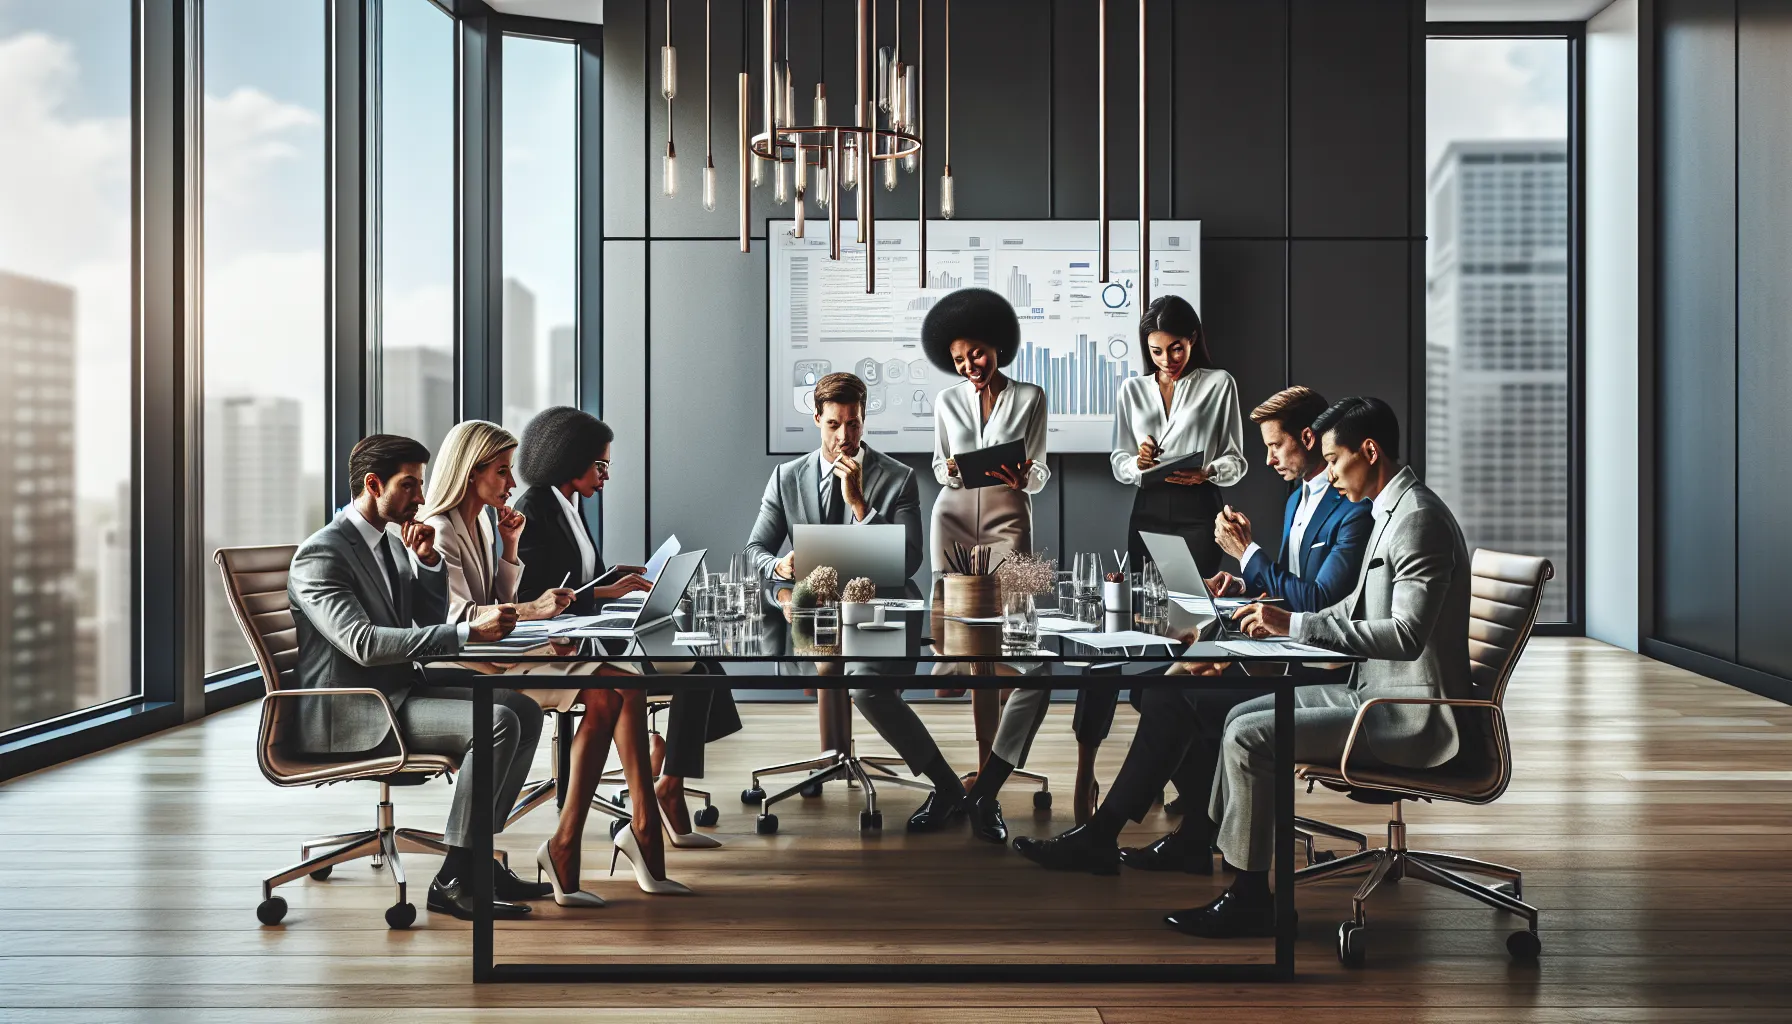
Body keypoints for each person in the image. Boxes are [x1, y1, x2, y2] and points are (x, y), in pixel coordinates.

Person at [1017, 396, 1473, 943]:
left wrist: (1294, 626)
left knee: (1247, 730)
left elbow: (1403, 635)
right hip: (1365, 686)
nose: (1327, 473)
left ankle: (1250, 897)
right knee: (1230, 716)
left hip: (1404, 711)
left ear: (1369, 451)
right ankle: (1214, 860)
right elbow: (1349, 609)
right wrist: (1268, 611)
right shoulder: (1391, 510)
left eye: (1334, 461)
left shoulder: (1414, 520)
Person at [1027, 386, 1375, 871]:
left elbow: (1320, 602)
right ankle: (1192, 834)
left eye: (1276, 445)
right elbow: (1295, 589)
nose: (1269, 458)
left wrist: (1248, 555)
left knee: (1175, 694)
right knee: (1157, 690)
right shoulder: (1298, 499)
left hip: (1318, 667)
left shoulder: (1353, 507)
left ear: (1310, 439)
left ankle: (1114, 834)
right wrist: (1243, 584)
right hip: (1283, 648)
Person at [420, 419, 690, 903]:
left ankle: (573, 844)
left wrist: (508, 549)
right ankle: (617, 837)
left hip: (501, 652)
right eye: (502, 472)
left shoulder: (483, 521)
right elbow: (460, 617)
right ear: (471, 471)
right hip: (469, 665)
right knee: (615, 685)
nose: (512, 483)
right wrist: (535, 613)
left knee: (619, 687)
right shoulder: (440, 529)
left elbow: (499, 598)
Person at [286, 434, 550, 921]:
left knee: (524, 710)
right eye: (409, 486)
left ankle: (477, 865)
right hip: (352, 711)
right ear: (372, 484)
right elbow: (364, 644)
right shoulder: (322, 554)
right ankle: (455, 876)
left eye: (421, 485)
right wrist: (468, 628)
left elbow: (417, 619)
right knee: (496, 722)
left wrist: (427, 565)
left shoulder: (385, 542)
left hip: (396, 691)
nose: (422, 500)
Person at [512, 406, 742, 851]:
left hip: (594, 630)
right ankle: (667, 784)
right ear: (570, 458)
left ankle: (670, 781)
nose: (606, 476)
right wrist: (604, 594)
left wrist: (612, 577)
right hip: (566, 645)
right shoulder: (533, 509)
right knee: (699, 668)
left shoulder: (569, 506)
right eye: (600, 465)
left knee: (702, 660)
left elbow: (577, 576)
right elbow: (540, 594)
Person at [1072, 294, 1249, 822]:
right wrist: (1138, 462)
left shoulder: (1219, 385)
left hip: (1198, 513)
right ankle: (1134, 769)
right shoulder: (1133, 389)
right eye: (1156, 351)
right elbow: (1118, 458)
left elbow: (1237, 459)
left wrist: (1209, 472)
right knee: (1137, 629)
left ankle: (1178, 775)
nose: (1167, 359)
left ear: (1193, 340)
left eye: (1176, 347)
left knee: (1189, 641)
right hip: (1147, 510)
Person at [898, 287, 1057, 843]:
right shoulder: (946, 401)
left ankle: (988, 778)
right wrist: (949, 469)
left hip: (1012, 514)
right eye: (960, 359)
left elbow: (1039, 469)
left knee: (1012, 642)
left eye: (979, 354)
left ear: (998, 346)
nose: (970, 365)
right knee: (968, 648)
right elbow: (941, 468)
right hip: (956, 515)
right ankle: (979, 775)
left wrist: (1023, 478)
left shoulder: (1032, 395)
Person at [746, 371, 925, 581]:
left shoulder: (900, 479)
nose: (843, 437)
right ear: (817, 418)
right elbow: (753, 551)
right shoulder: (785, 478)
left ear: (863, 420)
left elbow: (910, 562)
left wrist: (860, 506)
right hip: (809, 607)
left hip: (872, 605)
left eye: (852, 424)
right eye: (833, 425)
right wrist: (778, 566)